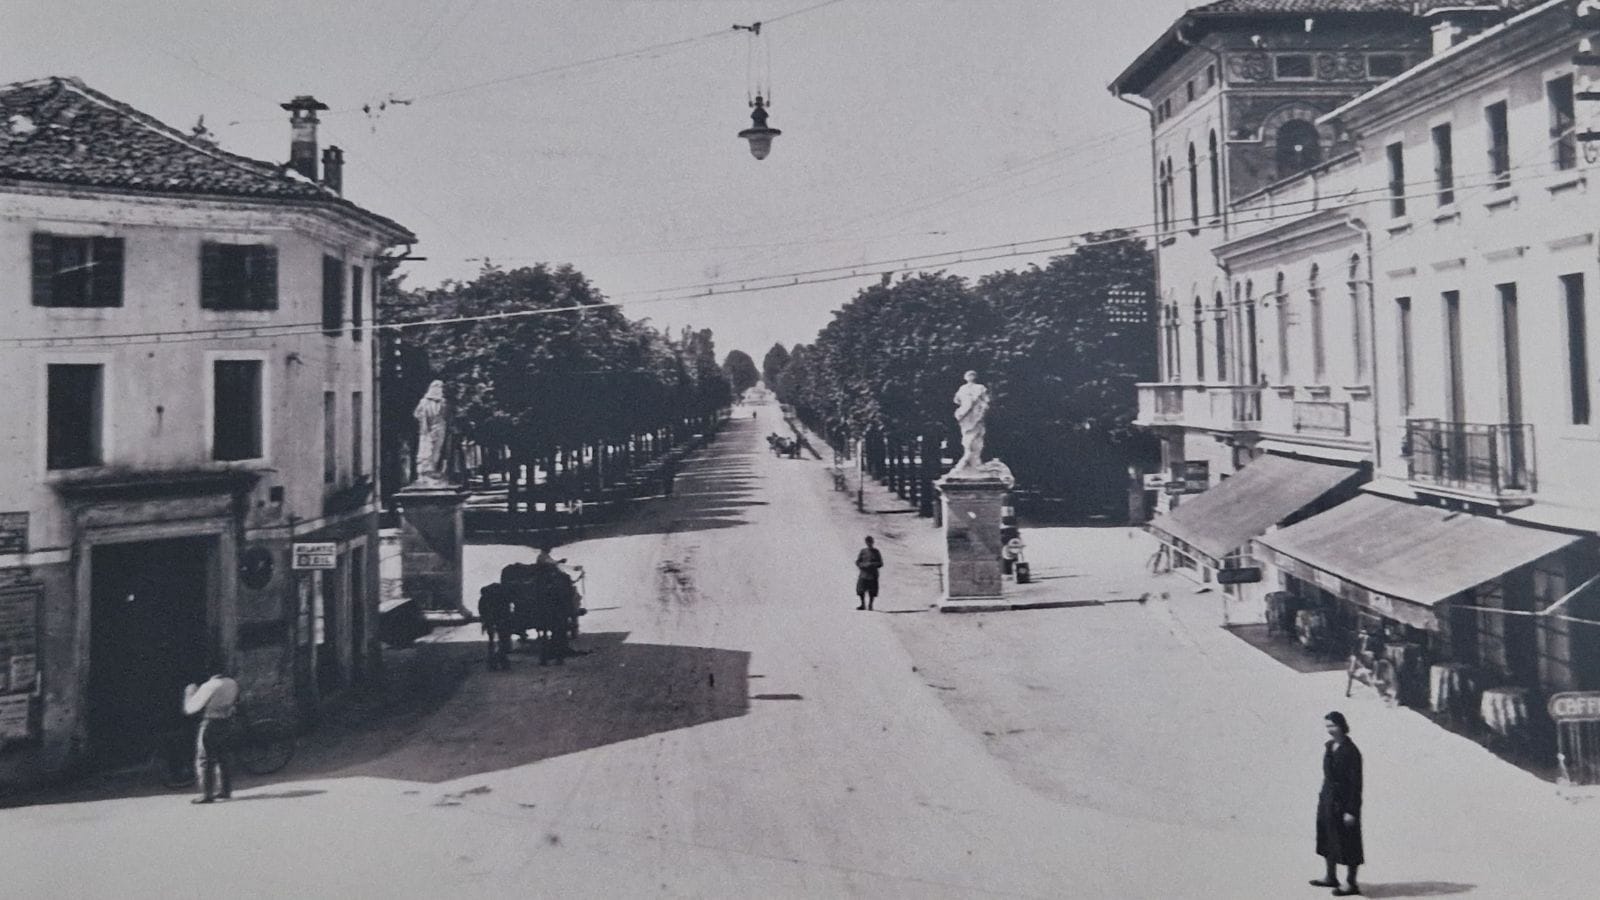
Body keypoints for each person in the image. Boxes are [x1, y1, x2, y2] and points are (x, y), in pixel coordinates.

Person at [1312, 711, 1364, 896]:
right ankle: (1330, 876)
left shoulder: (1351, 751)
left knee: (1349, 841)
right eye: (1327, 726)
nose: (1330, 730)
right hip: (1328, 798)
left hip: (1344, 801)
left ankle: (1351, 883)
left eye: (1332, 726)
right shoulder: (1329, 747)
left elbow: (1356, 784)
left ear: (1342, 725)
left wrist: (1351, 810)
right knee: (1327, 836)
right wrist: (1324, 796)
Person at [182, 667, 240, 804]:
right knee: (223, 757)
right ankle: (225, 790)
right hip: (226, 721)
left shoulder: (209, 686)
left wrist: (190, 693)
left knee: (205, 759)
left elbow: (191, 709)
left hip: (211, 723)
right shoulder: (232, 683)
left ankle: (207, 794)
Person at [479, 583, 514, 671]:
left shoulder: (485, 597)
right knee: (503, 639)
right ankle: (501, 659)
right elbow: (507, 610)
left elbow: (482, 610)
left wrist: (485, 621)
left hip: (491, 618)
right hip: (500, 618)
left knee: (492, 640)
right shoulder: (503, 597)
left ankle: (493, 661)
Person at [855, 536, 883, 611]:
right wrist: (862, 565)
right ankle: (862, 604)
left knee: (872, 591)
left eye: (870, 542)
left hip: (873, 574)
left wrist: (872, 564)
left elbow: (880, 563)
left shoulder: (876, 552)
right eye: (867, 542)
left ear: (872, 542)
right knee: (860, 589)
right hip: (863, 574)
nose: (869, 543)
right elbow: (858, 562)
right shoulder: (863, 551)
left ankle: (870, 605)